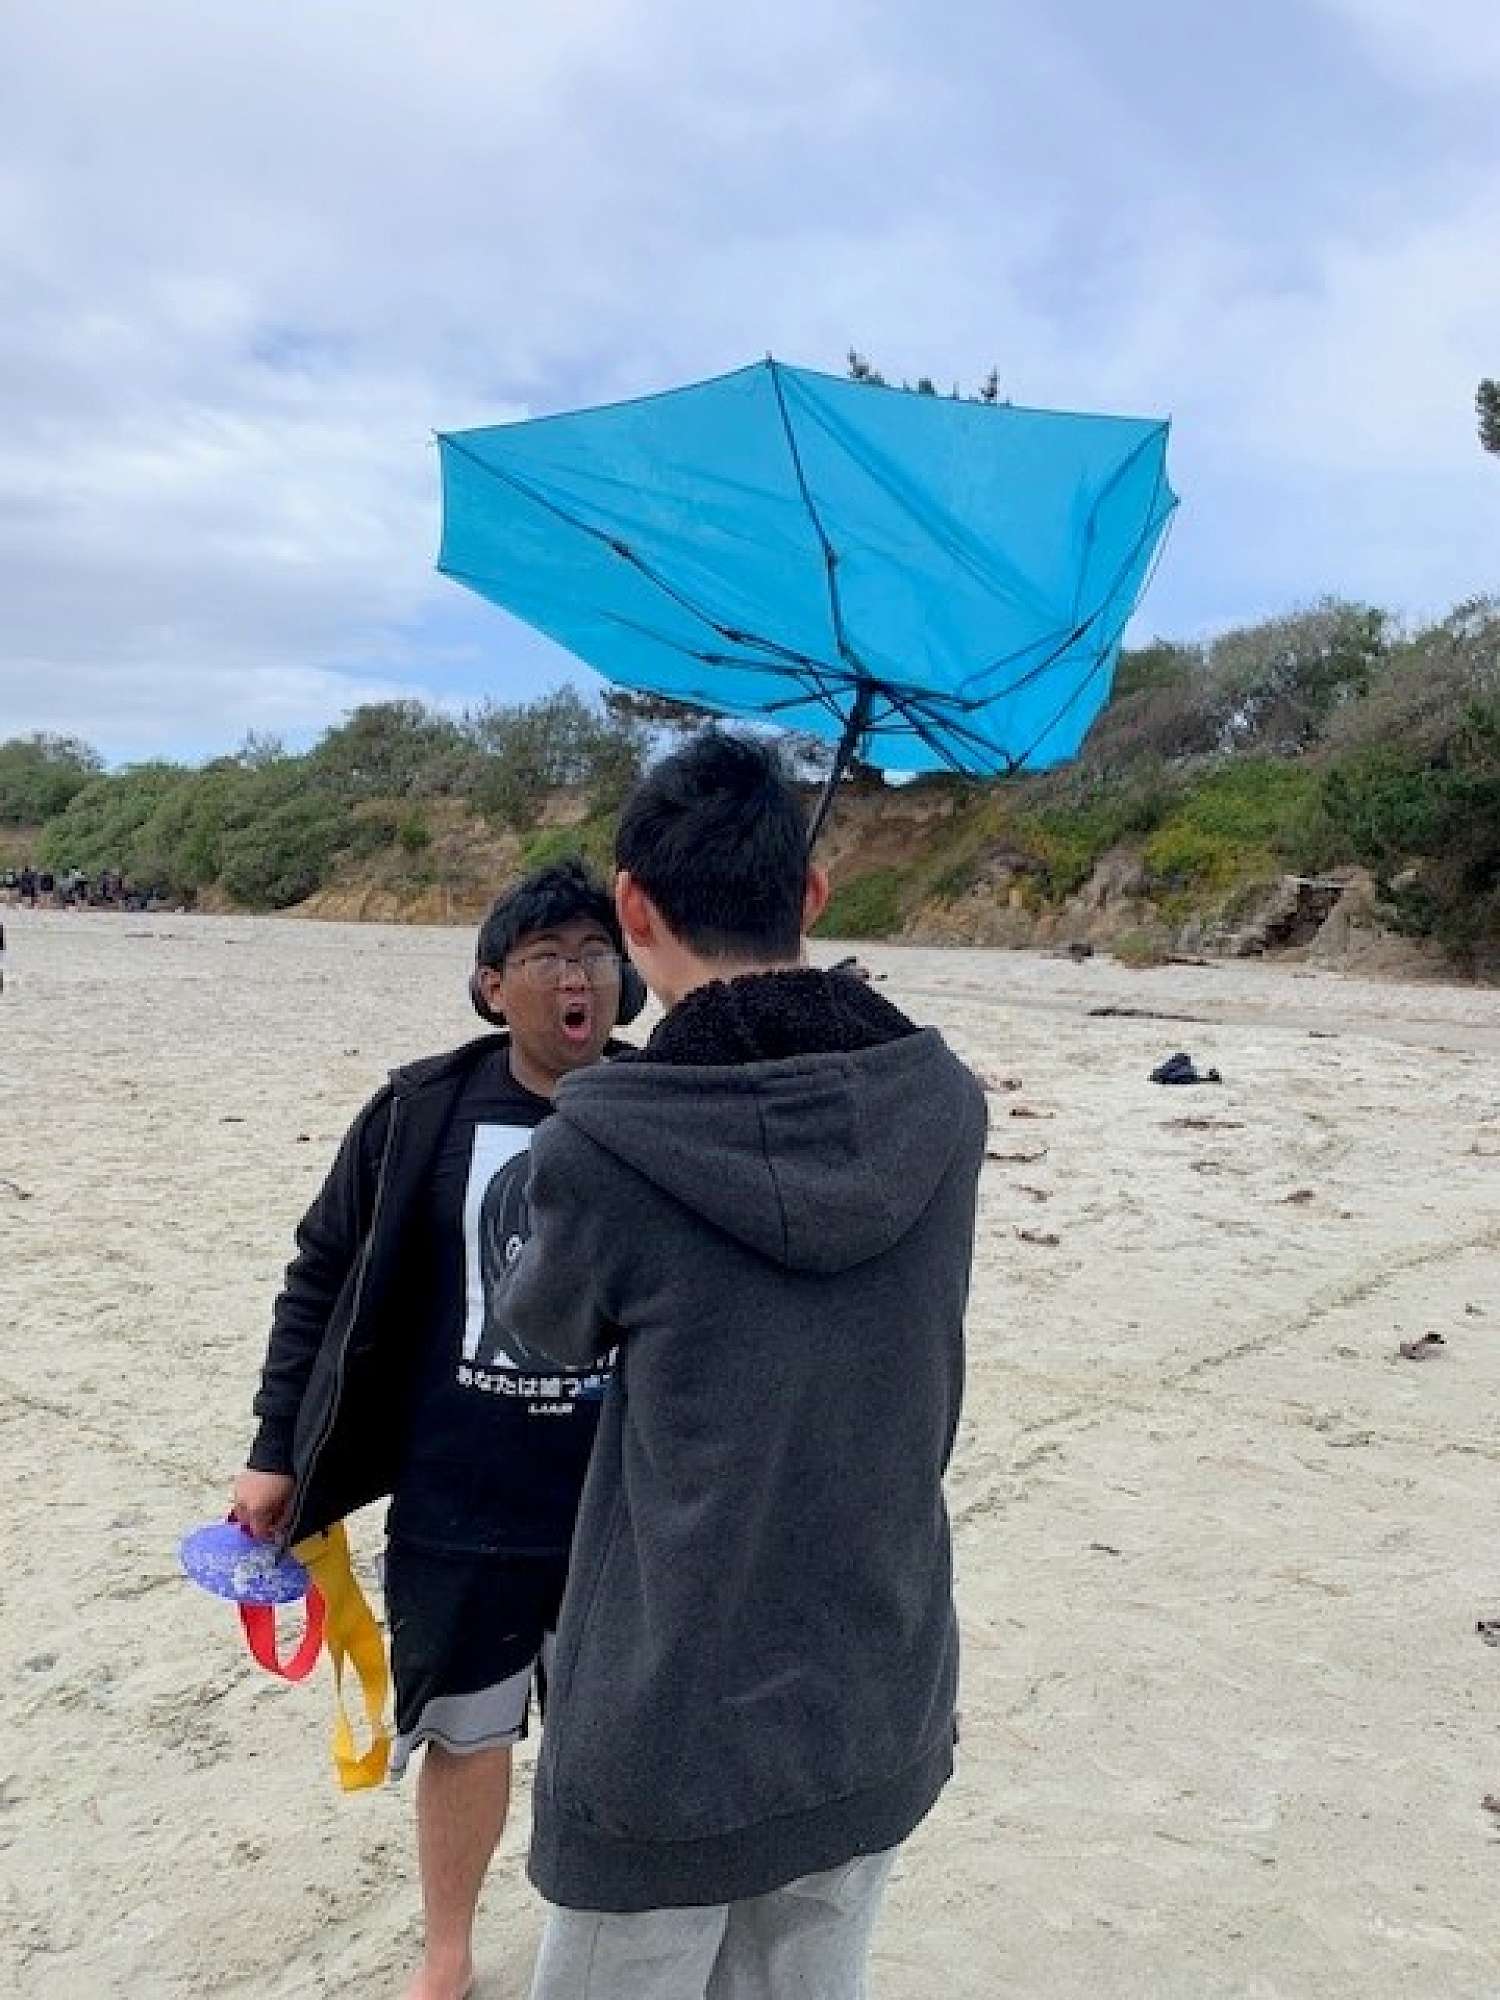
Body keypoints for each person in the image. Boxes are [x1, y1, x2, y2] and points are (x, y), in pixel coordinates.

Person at [495, 733, 988, 2000]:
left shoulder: (605, 1138)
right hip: (877, 1671)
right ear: (813, 893)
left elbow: (544, 1326)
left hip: (670, 1708)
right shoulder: (942, 1101)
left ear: (632, 908)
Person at [229, 861, 645, 2000]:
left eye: (597, 952)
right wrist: (274, 1449)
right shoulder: (422, 1112)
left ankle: (594, 1947)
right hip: (460, 1496)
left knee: (615, 1743)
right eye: (547, 956)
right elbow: (321, 1273)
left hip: (626, 1502)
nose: (578, 976)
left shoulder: (666, 1107)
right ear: (493, 986)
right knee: (464, 1738)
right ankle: (448, 1952)